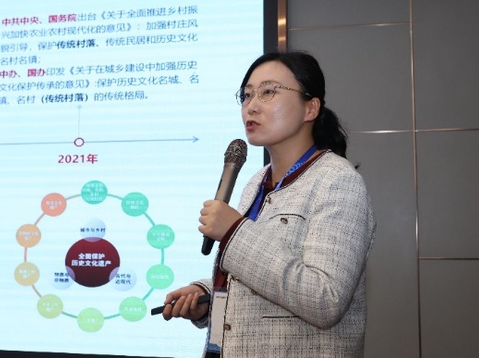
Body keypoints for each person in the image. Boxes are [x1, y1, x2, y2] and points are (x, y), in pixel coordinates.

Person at [161, 50, 376, 357]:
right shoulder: (256, 181)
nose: (252, 106)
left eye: (268, 92)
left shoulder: (337, 180)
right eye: (246, 95)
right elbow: (266, 276)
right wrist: (207, 295)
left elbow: (326, 300)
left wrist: (234, 232)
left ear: (310, 107)